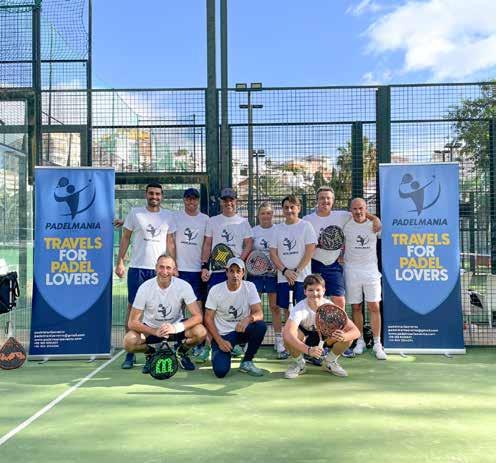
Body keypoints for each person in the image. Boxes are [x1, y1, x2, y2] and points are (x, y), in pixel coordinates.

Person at [303, 186, 380, 359]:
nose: (325, 201)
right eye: (322, 198)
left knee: (339, 302)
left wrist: (374, 218)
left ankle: (340, 341)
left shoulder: (342, 216)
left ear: (333, 201)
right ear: (317, 200)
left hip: (334, 265)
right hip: (315, 265)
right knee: (315, 304)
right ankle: (319, 343)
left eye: (328, 198)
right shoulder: (308, 220)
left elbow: (360, 213)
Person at [115, 182, 177, 370]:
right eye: (151, 193)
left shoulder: (168, 216)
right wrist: (120, 261)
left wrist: (174, 265)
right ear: (146, 195)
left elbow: (170, 242)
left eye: (158, 194)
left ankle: (154, 350)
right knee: (133, 311)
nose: (154, 197)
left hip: (160, 270)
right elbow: (125, 237)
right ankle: (130, 352)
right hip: (138, 269)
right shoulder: (135, 213)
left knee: (158, 309)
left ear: (162, 196)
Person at [123, 254, 207, 373]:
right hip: (152, 329)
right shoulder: (144, 288)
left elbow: (198, 316)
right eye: (161, 267)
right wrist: (154, 331)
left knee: (200, 332)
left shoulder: (183, 286)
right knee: (128, 342)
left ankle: (181, 352)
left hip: (175, 328)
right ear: (156, 268)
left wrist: (175, 328)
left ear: (174, 270)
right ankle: (150, 353)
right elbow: (132, 322)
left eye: (168, 268)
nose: (164, 271)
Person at [283, 274, 360, 379]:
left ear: (324, 291)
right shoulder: (299, 308)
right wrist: (308, 350)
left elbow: (355, 331)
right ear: (305, 292)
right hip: (305, 339)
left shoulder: (331, 308)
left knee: (347, 336)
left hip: (326, 338)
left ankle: (329, 362)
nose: (315, 293)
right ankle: (299, 364)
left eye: (318, 290)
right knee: (288, 338)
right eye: (310, 290)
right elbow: (288, 334)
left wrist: (344, 337)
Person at [204, 257, 267, 378]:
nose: (235, 275)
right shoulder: (215, 290)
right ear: (226, 272)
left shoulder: (250, 287)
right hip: (222, 336)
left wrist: (247, 319)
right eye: (231, 271)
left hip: (241, 330)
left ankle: (247, 361)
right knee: (220, 372)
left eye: (238, 271)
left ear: (243, 273)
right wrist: (219, 341)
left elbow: (259, 313)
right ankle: (219, 349)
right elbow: (208, 318)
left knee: (260, 326)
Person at [343, 198, 387, 360]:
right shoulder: (346, 225)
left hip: (371, 272)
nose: (358, 211)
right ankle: (360, 340)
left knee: (374, 306)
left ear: (366, 209)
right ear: (350, 210)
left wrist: (375, 218)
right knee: (356, 307)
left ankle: (377, 343)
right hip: (351, 272)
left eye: (361, 208)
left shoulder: (374, 225)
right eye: (355, 209)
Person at [174, 187, 210, 363]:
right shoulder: (175, 217)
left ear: (198, 201)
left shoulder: (205, 219)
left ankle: (199, 343)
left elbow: (207, 244)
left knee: (197, 307)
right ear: (184, 200)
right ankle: (177, 340)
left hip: (196, 270)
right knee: (177, 306)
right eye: (188, 198)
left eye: (194, 199)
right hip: (179, 270)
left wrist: (204, 265)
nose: (191, 201)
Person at [250, 202, 288, 359]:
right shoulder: (253, 231)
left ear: (272, 215)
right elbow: (250, 253)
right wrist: (256, 266)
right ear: (258, 215)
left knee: (275, 307)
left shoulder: (278, 230)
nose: (265, 216)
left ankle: (279, 341)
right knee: (254, 309)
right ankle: (250, 341)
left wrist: (275, 267)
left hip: (273, 275)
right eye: (262, 213)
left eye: (268, 213)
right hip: (256, 275)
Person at [269, 194, 317, 314]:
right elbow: (273, 254)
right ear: (283, 209)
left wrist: (296, 272)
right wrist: (285, 271)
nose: (289, 210)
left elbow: (310, 251)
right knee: (288, 311)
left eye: (292, 207)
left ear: (298, 208)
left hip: (302, 277)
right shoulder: (276, 229)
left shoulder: (306, 226)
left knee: (304, 310)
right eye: (286, 207)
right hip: (284, 278)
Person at [201, 187, 253, 289]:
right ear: (221, 202)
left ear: (235, 201)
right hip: (217, 269)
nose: (228, 203)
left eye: (231, 200)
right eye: (225, 200)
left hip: (235, 271)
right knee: (216, 298)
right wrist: (204, 266)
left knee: (236, 298)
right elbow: (207, 244)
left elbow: (249, 243)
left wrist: (239, 261)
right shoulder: (212, 221)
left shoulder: (243, 222)